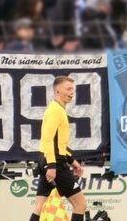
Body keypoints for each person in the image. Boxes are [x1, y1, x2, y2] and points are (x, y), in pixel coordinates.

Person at [32, 76, 86, 221]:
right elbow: (47, 139)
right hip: (54, 162)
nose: (72, 92)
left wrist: (72, 161)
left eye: (73, 89)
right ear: (57, 91)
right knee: (80, 204)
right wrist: (52, 165)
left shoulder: (58, 109)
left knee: (39, 207)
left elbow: (59, 144)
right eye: (68, 89)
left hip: (48, 160)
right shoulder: (55, 110)